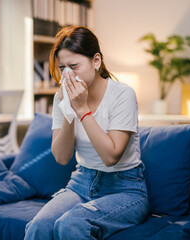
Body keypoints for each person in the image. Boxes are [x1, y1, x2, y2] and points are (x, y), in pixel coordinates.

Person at [24, 26, 149, 240]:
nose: (67, 75)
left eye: (74, 66)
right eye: (63, 68)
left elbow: (110, 157)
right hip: (81, 181)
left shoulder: (122, 94)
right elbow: (62, 157)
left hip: (125, 188)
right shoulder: (61, 98)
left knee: (71, 224)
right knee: (39, 227)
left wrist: (82, 109)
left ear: (96, 61)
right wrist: (68, 109)